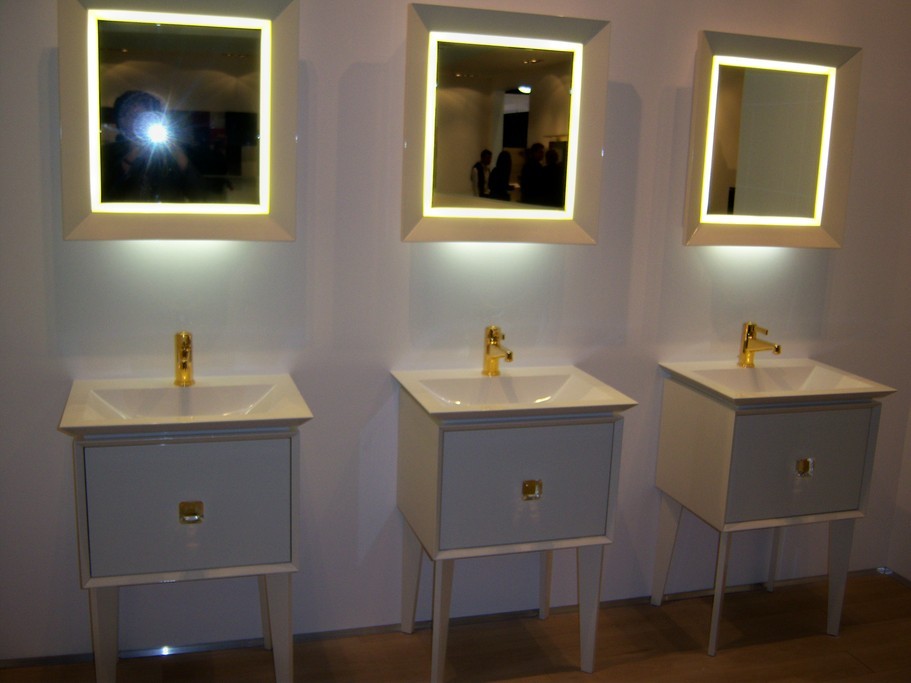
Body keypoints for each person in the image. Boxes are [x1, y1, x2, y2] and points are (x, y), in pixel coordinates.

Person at [101, 90, 203, 202]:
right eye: (128, 115)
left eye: (142, 115)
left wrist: (175, 151)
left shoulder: (171, 152)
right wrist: (131, 157)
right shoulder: (105, 153)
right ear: (119, 121)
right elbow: (103, 197)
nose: (135, 121)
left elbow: (200, 195)